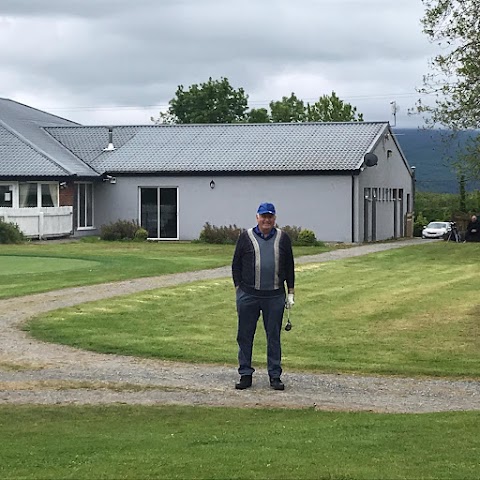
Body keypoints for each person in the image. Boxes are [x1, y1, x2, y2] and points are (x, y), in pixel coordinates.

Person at [231, 202, 295, 391]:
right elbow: (236, 264)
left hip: (274, 296)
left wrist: (290, 291)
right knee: (245, 335)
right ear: (257, 217)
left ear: (275, 218)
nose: (266, 220)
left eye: (270, 217)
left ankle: (275, 376)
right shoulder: (245, 237)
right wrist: (238, 289)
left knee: (273, 336)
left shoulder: (283, 238)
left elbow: (290, 266)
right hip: (248, 295)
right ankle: (245, 374)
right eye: (263, 216)